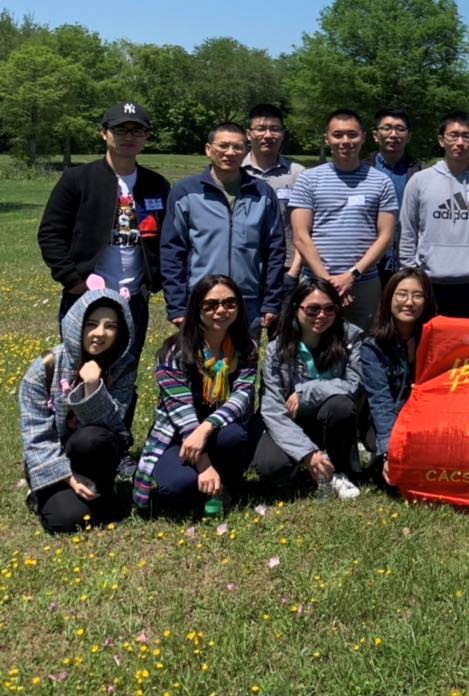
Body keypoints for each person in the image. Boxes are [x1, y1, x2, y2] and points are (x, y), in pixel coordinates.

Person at [37, 101, 169, 442]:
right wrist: (74, 282)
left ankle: (115, 444)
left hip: (133, 299)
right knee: (75, 371)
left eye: (137, 130)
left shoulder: (156, 184)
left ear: (146, 137)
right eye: (120, 129)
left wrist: (153, 283)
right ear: (104, 133)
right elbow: (51, 233)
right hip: (85, 297)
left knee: (124, 374)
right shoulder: (78, 179)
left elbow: (167, 239)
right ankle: (66, 442)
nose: (129, 136)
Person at [133, 275, 262, 517]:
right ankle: (198, 484)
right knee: (178, 486)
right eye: (211, 305)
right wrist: (204, 465)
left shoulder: (246, 349)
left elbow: (241, 398)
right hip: (177, 434)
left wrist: (205, 429)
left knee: (235, 436)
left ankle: (226, 487)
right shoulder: (174, 352)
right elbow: (180, 412)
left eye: (229, 303)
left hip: (217, 431)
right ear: (196, 308)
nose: (221, 311)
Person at [19, 288, 138, 532]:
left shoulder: (123, 367)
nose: (100, 333)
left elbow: (115, 427)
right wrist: (68, 477)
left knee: (91, 438)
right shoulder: (45, 368)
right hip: (54, 457)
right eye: (91, 324)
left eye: (110, 326)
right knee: (67, 519)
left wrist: (92, 387)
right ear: (77, 325)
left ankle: (104, 488)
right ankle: (44, 488)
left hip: (94, 452)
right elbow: (36, 435)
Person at [160, 121, 287, 333]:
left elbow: (275, 250)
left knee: (245, 355)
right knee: (199, 355)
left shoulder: (262, 193)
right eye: (223, 146)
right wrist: (177, 304)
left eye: (237, 147)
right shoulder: (186, 192)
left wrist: (271, 301)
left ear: (245, 151)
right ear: (208, 149)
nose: (230, 152)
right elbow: (172, 250)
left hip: (247, 301)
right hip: (202, 300)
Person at [253, 280, 365, 500]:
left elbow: (355, 385)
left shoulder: (350, 337)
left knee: (341, 405)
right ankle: (312, 463)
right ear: (296, 309)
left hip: (329, 419)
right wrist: (307, 453)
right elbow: (272, 409)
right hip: (290, 420)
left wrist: (307, 391)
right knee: (271, 467)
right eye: (312, 309)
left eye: (329, 309)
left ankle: (340, 468)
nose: (321, 315)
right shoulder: (277, 348)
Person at [289, 110, 399, 331]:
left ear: (363, 137)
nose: (345, 141)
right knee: (314, 341)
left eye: (352, 134)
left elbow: (386, 237)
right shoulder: (308, 179)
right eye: (338, 135)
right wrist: (329, 282)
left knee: (364, 343)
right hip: (316, 282)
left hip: (364, 283)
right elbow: (301, 236)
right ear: (327, 138)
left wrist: (352, 275)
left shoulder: (381, 181)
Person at [398, 111, 469, 318]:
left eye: (466, 136)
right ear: (442, 140)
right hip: (427, 283)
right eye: (453, 135)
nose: (460, 142)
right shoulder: (420, 181)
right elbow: (407, 231)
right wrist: (411, 273)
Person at [359, 268, 436, 481]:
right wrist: (390, 450)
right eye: (402, 294)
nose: (409, 302)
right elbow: (380, 400)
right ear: (389, 298)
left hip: (426, 418)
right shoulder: (372, 346)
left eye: (418, 295)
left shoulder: (437, 340)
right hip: (390, 418)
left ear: (427, 301)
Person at [242, 103, 307, 294]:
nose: (268, 135)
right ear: (248, 134)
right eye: (261, 129)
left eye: (275, 129)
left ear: (283, 134)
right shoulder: (236, 171)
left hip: (286, 266)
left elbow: (307, 228)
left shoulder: (299, 174)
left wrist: (294, 271)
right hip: (243, 264)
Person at [365, 107, 420, 284]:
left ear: (409, 136)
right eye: (387, 128)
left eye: (400, 129)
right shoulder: (362, 171)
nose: (393, 134)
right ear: (375, 135)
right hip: (369, 260)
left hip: (409, 259)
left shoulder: (421, 173)